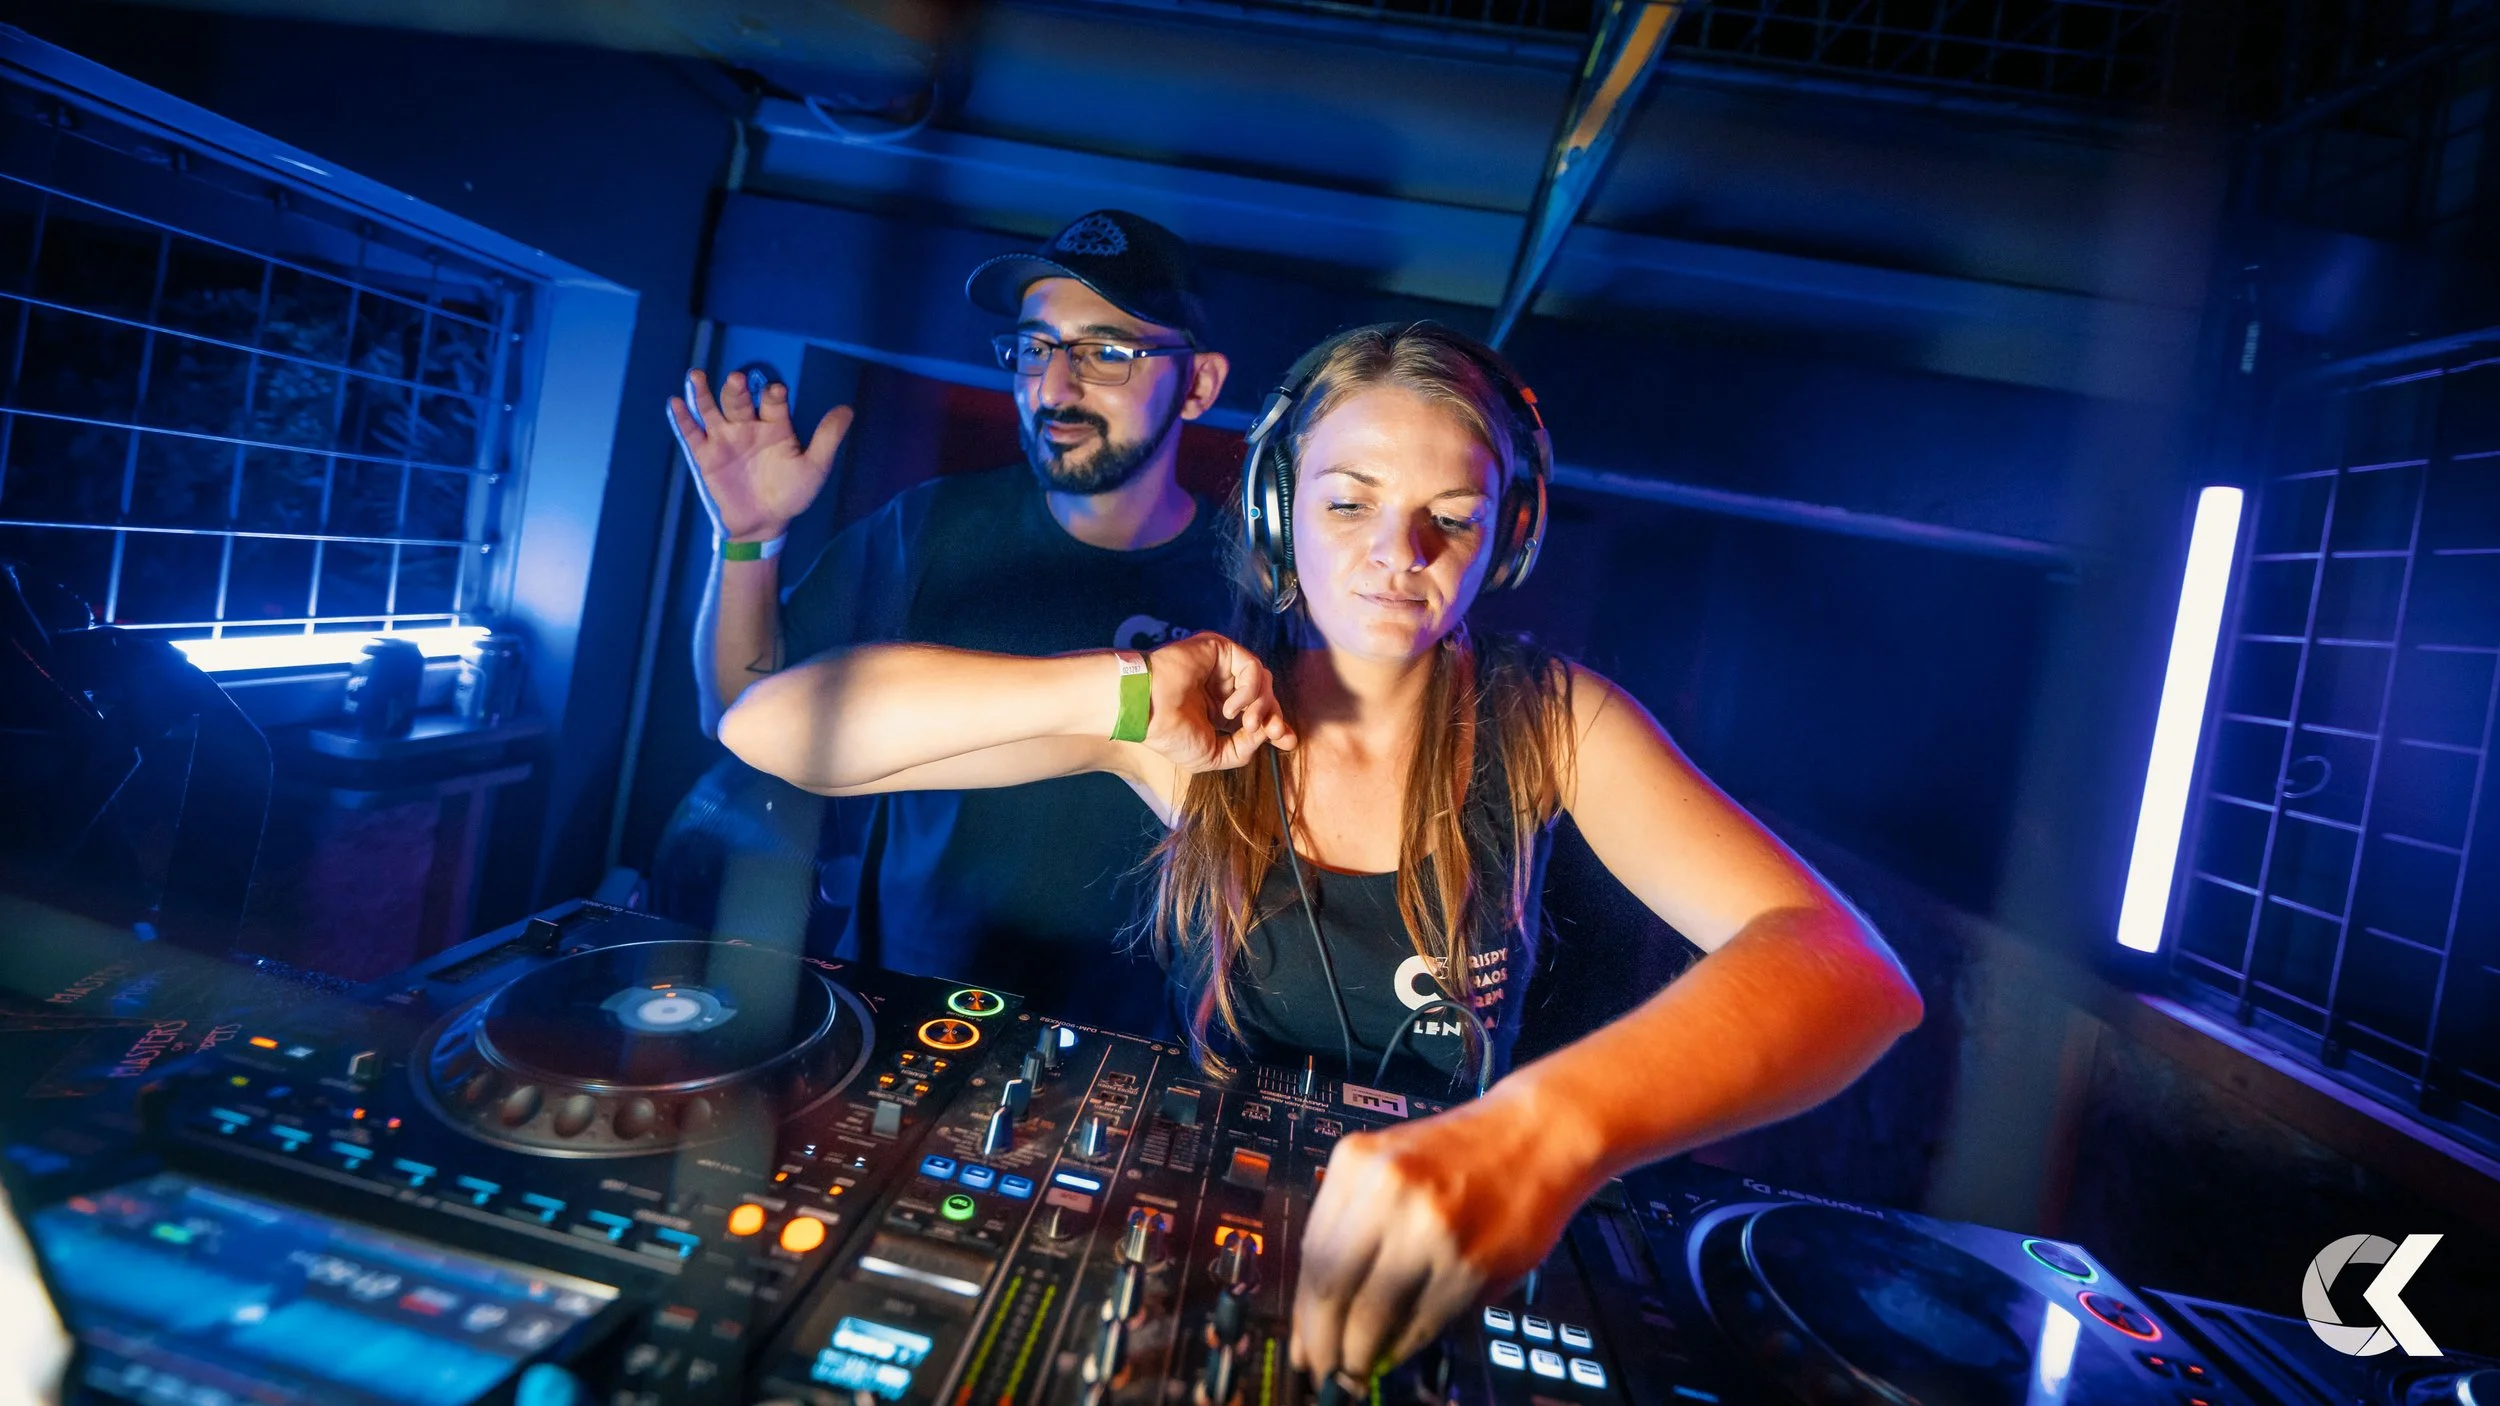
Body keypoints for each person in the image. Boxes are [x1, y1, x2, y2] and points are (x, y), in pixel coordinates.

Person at [716, 322, 1924, 1391]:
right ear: (1276, 512)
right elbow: (769, 728)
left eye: (1450, 516)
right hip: (1206, 1251)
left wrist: (1540, 1131)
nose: (1400, 549)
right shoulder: (1194, 723)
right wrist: (1123, 687)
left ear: (1506, 535)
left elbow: (1846, 969)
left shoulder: (1556, 723)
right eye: (1349, 501)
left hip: (1441, 1246)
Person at [668, 210, 1233, 1033]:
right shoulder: (931, 527)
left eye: (1106, 352)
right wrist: (749, 543)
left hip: (1135, 1032)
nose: (1056, 387)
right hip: (903, 995)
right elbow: (736, 712)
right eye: (1037, 348)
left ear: (1200, 384)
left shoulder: (1258, 579)